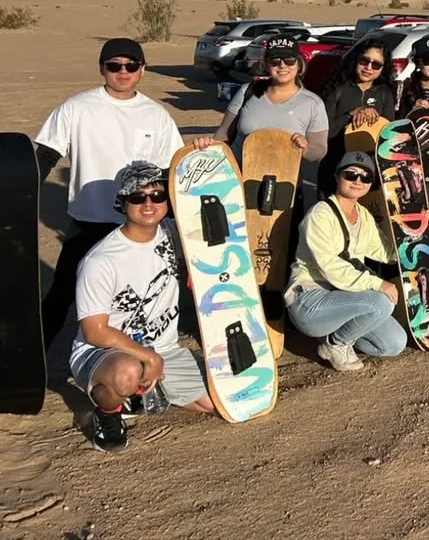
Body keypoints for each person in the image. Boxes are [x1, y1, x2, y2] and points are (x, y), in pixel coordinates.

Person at [35, 38, 184, 352]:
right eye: (114, 65)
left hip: (142, 224)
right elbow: (46, 155)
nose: (123, 72)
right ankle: (32, 361)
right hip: (89, 219)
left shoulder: (156, 115)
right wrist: (20, 191)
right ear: (102, 68)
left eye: (131, 65)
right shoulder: (77, 107)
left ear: (142, 69)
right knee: (62, 293)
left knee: (149, 292)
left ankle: (141, 355)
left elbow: (170, 170)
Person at [70, 162, 215, 452]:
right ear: (123, 203)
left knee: (217, 403)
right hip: (105, 352)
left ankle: (140, 393)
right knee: (126, 372)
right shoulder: (100, 261)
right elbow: (95, 331)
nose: (148, 204)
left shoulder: (176, 234)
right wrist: (148, 357)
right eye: (137, 197)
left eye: (157, 195)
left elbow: (211, 195)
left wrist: (204, 155)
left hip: (164, 349)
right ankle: (109, 412)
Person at [286, 152, 405, 371]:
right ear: (337, 176)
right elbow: (330, 268)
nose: (358, 181)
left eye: (365, 177)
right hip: (310, 300)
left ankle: (339, 332)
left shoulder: (363, 215)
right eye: (351, 174)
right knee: (381, 301)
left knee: (394, 343)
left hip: (344, 297)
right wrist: (377, 283)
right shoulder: (320, 215)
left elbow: (384, 252)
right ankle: (336, 344)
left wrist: (414, 234)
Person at [197, 35, 328, 167]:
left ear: (299, 64)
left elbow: (319, 150)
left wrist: (305, 149)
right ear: (266, 64)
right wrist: (207, 147)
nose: (282, 66)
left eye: (289, 60)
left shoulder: (313, 103)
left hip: (286, 177)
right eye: (275, 61)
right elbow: (223, 135)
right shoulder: (247, 92)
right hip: (239, 176)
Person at [318, 40, 396, 195]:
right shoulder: (337, 89)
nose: (368, 68)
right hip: (335, 168)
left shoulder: (384, 94)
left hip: (368, 173)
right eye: (364, 61)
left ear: (383, 69)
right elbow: (323, 133)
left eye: (376, 65)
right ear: (356, 59)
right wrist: (350, 114)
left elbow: (389, 139)